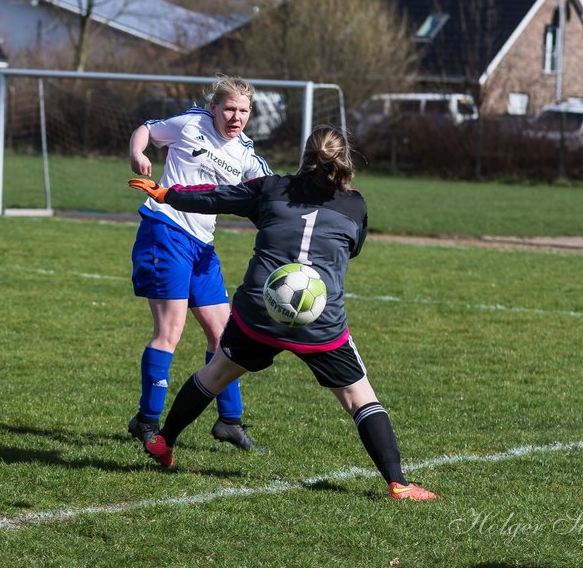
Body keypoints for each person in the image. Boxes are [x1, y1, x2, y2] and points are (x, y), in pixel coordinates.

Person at [127, 125, 436, 501]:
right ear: (345, 160)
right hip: (319, 321)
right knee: (360, 399)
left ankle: (163, 442)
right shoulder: (355, 204)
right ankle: (399, 483)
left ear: (304, 156)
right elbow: (352, 248)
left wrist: (168, 193)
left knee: (215, 374)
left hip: (259, 311)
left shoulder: (270, 188)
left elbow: (218, 197)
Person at [126, 75, 272, 451]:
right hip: (165, 231)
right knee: (170, 331)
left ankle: (229, 421)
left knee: (224, 337)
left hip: (203, 247)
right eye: (229, 108)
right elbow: (146, 129)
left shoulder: (246, 153)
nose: (235, 117)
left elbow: (272, 193)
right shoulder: (191, 123)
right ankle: (146, 420)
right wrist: (139, 153)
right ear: (213, 108)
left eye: (243, 110)